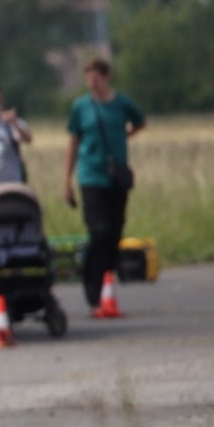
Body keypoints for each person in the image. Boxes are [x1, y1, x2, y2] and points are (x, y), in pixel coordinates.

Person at [63, 57, 146, 318]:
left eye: (96, 77)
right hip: (90, 176)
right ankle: (93, 288)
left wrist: (125, 135)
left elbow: (140, 121)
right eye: (88, 77)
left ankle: (107, 280)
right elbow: (73, 142)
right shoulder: (81, 107)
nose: (92, 82)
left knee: (114, 231)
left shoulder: (121, 103)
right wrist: (67, 180)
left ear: (106, 77)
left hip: (116, 177)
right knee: (98, 231)